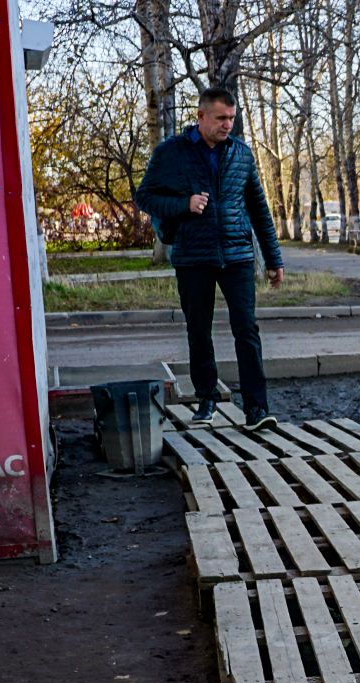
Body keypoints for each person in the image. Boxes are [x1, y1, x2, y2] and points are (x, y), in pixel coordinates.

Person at [134, 87, 285, 430]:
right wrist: (183, 205)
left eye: (231, 118)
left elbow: (259, 210)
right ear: (201, 116)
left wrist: (274, 259)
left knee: (247, 329)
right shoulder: (171, 152)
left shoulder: (242, 155)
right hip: (193, 257)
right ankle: (206, 400)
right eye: (221, 118)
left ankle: (257, 408)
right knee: (199, 331)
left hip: (237, 256)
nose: (227, 125)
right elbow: (145, 197)